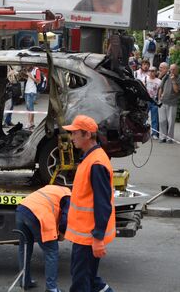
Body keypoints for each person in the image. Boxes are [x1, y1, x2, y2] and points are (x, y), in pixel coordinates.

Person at [62, 115, 116, 292]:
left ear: (87, 135)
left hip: (88, 236)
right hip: (86, 235)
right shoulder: (93, 158)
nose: (71, 138)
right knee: (90, 279)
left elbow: (103, 203)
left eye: (74, 133)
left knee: (81, 282)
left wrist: (98, 238)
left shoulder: (96, 163)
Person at [15, 185, 71, 292]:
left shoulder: (54, 188)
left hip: (21, 210)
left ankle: (24, 281)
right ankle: (52, 288)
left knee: (25, 248)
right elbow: (65, 219)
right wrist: (62, 234)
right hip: (38, 215)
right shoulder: (69, 196)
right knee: (51, 251)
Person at [157, 64, 180, 143]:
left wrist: (173, 80)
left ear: (177, 70)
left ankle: (169, 138)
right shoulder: (166, 76)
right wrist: (159, 99)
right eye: (171, 69)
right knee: (162, 120)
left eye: (173, 69)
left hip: (172, 102)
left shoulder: (179, 78)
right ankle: (162, 137)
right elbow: (161, 87)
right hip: (163, 101)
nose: (172, 71)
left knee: (171, 122)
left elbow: (177, 91)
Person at [144, 66, 161, 140]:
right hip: (146, 100)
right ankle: (144, 133)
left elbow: (160, 91)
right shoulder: (145, 79)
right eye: (150, 71)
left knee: (154, 118)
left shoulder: (159, 81)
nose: (151, 72)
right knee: (144, 118)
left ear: (156, 72)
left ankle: (154, 133)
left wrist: (159, 100)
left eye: (153, 71)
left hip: (154, 101)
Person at [22, 65, 41, 130]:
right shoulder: (30, 70)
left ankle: (30, 123)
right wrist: (25, 76)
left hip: (32, 92)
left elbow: (38, 81)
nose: (26, 67)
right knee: (29, 108)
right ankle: (32, 123)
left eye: (27, 65)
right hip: (27, 91)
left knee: (30, 108)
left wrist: (30, 76)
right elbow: (30, 80)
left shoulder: (36, 70)